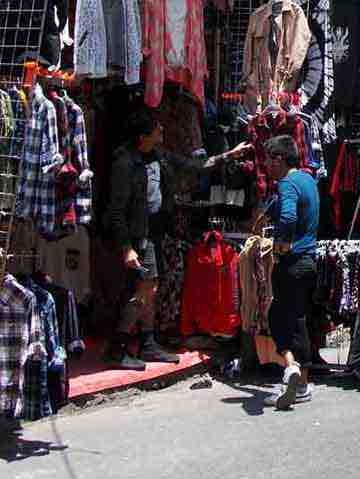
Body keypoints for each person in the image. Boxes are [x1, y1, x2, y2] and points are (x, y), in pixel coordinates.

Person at [105, 110, 251, 370]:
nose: (162, 130)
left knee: (152, 287)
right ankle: (117, 347)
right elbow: (116, 211)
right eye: (157, 129)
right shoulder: (125, 163)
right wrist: (126, 247)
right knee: (144, 288)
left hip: (156, 232)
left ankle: (148, 342)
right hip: (139, 236)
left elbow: (192, 165)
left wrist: (228, 155)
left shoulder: (159, 156)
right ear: (143, 136)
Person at [260, 134, 320, 411]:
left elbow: (288, 216)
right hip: (309, 261)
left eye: (269, 160)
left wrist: (281, 244)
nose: (266, 166)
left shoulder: (287, 183)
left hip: (292, 262)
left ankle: (294, 372)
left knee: (280, 318)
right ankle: (298, 377)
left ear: (279, 159)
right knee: (297, 319)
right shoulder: (308, 180)